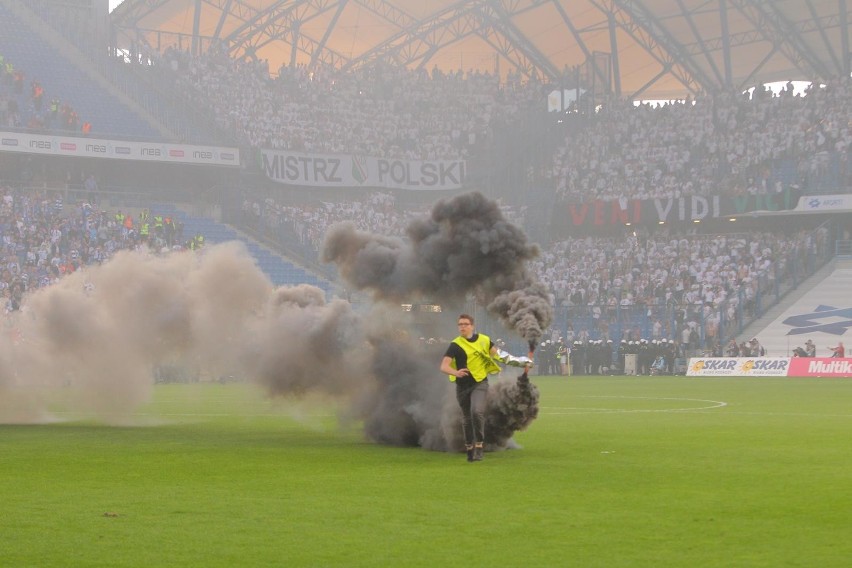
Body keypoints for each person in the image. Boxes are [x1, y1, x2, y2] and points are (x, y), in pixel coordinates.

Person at [439, 314, 501, 462]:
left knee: (477, 411)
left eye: (466, 324)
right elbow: (443, 366)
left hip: (480, 383)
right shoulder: (455, 345)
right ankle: (469, 448)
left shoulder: (484, 340)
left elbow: (499, 356)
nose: (462, 327)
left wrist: (519, 361)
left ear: (472, 326)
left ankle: (479, 446)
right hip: (462, 386)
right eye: (460, 324)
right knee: (466, 418)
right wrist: (456, 372)